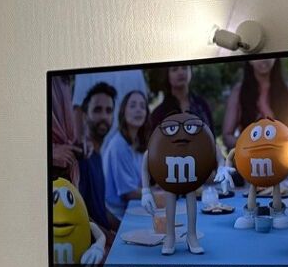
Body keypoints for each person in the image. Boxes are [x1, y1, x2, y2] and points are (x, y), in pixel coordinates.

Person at [220, 57, 288, 145]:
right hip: (249, 152)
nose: (263, 60)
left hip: (283, 151)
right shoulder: (239, 92)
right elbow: (227, 135)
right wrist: (249, 146)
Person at [102, 88, 151, 227]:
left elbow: (140, 185)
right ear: (123, 111)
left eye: (142, 106)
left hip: (134, 210)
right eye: (133, 105)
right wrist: (160, 193)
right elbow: (128, 193)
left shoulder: (138, 143)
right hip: (118, 217)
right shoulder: (118, 145)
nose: (138, 110)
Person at [75, 83, 116, 231]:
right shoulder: (82, 157)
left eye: (109, 111)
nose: (104, 116)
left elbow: (101, 211)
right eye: (97, 110)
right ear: (85, 116)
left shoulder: (97, 156)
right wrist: (110, 238)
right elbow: (81, 217)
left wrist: (125, 227)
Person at [146, 64, 217, 135]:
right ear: (167, 75)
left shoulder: (201, 105)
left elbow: (211, 135)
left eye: (184, 68)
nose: (181, 72)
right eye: (174, 69)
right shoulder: (159, 113)